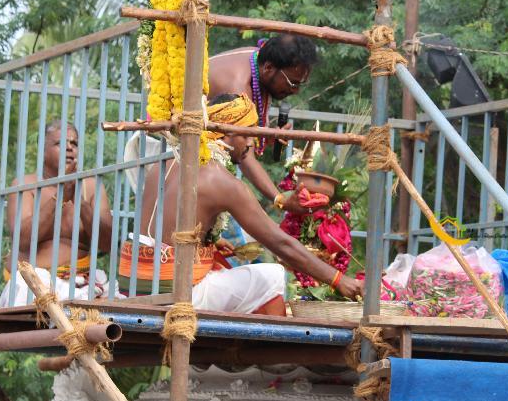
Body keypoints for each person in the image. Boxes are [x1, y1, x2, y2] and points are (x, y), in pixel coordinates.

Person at [123, 94, 362, 315]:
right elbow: (280, 243)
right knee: (273, 276)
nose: (251, 144)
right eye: (247, 134)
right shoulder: (220, 180)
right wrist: (339, 280)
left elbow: (165, 228)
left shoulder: (165, 160)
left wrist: (213, 243)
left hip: (132, 285)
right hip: (174, 295)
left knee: (224, 271)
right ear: (226, 133)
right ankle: (268, 357)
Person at [0, 121, 115, 306]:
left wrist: (80, 202)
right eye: (60, 143)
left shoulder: (91, 186)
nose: (70, 148)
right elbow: (22, 239)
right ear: (43, 150)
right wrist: (59, 196)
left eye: (74, 143)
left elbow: (108, 242)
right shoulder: (25, 185)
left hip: (82, 284)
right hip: (34, 285)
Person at [208, 34, 318, 214]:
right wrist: (281, 199)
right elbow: (245, 157)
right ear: (268, 67)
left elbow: (242, 139)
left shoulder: (259, 61)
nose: (295, 91)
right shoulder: (238, 88)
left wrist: (265, 137)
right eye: (293, 83)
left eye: (300, 84)